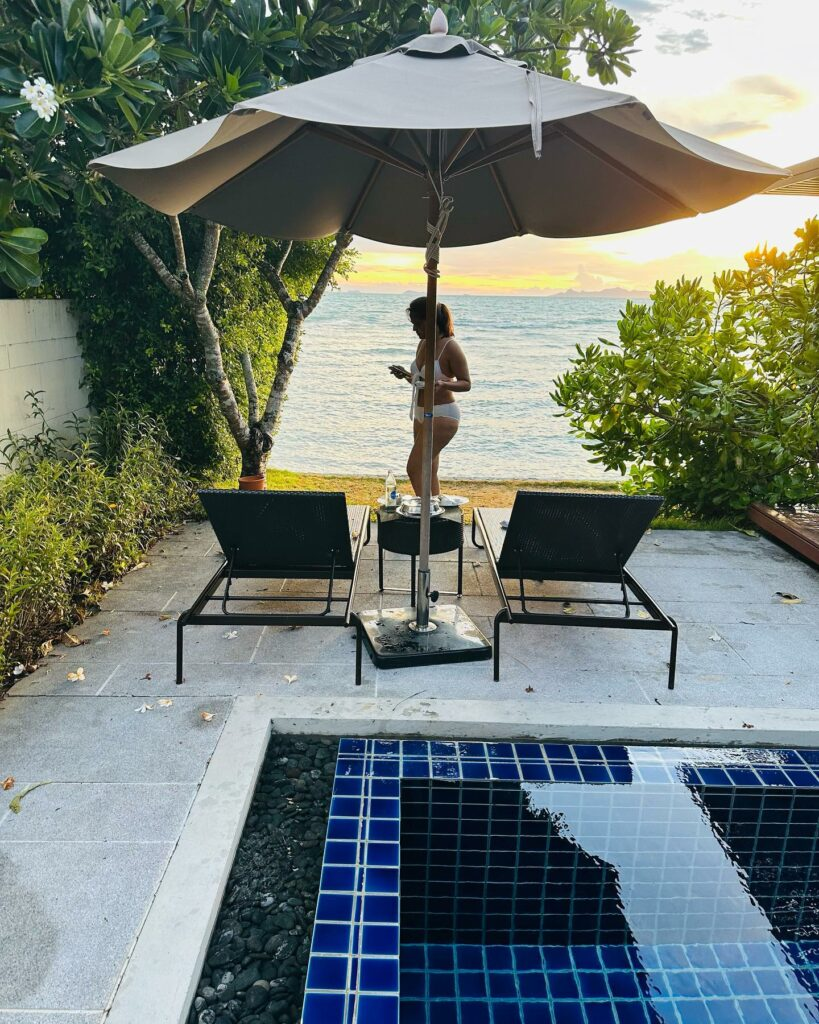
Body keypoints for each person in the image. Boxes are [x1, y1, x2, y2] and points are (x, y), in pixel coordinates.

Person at [389, 298, 471, 498]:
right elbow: (421, 381)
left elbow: (466, 383)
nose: (414, 329)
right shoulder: (423, 344)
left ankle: (427, 511)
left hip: (442, 414)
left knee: (415, 468)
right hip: (420, 414)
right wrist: (406, 375)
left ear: (431, 321)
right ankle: (435, 511)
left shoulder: (450, 346)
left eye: (417, 324)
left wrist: (444, 384)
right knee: (429, 471)